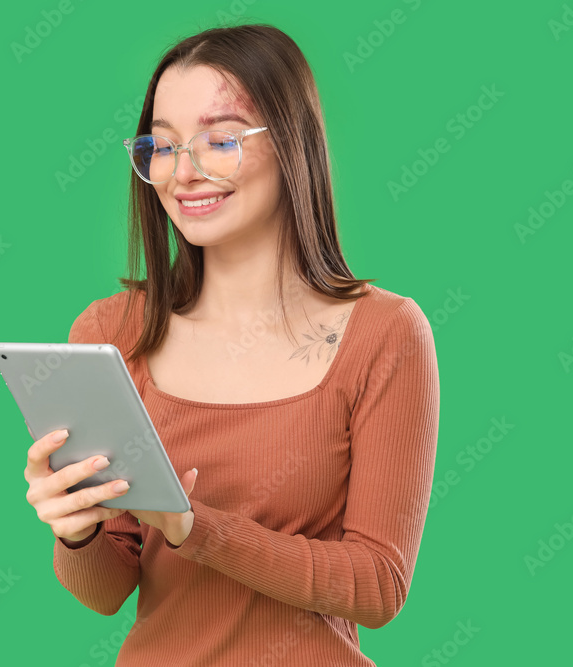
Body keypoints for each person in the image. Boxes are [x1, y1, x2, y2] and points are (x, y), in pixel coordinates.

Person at [23, 23, 439, 666]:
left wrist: (197, 528)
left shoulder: (383, 335)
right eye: (162, 147)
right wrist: (75, 533)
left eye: (219, 140)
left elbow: (379, 585)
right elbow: (107, 594)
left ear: (294, 145)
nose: (183, 173)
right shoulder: (113, 334)